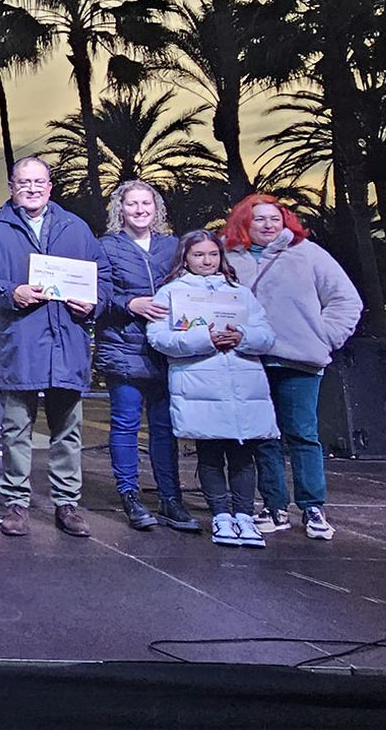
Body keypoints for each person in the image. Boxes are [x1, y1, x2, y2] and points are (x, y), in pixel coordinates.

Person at [0, 156, 106, 539]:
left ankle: (67, 502)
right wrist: (12, 292)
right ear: (12, 187)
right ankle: (16, 502)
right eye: (23, 182)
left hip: (67, 342)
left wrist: (93, 304)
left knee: (68, 429)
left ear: (50, 186)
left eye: (38, 182)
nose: (31, 188)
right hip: (19, 342)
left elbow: (102, 275)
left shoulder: (75, 227)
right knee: (15, 429)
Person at [223, 194, 363, 541]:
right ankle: (275, 506)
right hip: (248, 360)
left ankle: (313, 507)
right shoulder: (228, 256)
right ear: (244, 222)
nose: (268, 224)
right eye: (259, 219)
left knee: (303, 434)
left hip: (299, 361)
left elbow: (346, 300)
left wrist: (324, 337)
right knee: (263, 438)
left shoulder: (308, 253)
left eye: (276, 218)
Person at [147, 231, 278, 548]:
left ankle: (244, 516)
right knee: (209, 453)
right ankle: (220, 515)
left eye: (213, 254)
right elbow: (159, 338)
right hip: (199, 385)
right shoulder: (170, 293)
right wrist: (204, 339)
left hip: (242, 385)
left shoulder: (239, 293)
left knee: (243, 454)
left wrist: (242, 337)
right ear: (185, 258)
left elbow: (266, 335)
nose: (207, 261)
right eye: (198, 255)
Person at [95, 181, 198, 533]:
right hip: (123, 347)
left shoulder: (173, 246)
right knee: (125, 424)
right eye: (132, 204)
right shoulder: (106, 247)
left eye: (146, 203)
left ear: (157, 209)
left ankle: (171, 498)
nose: (140, 210)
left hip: (165, 350)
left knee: (164, 428)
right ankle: (130, 495)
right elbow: (97, 297)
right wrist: (130, 304)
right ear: (120, 209)